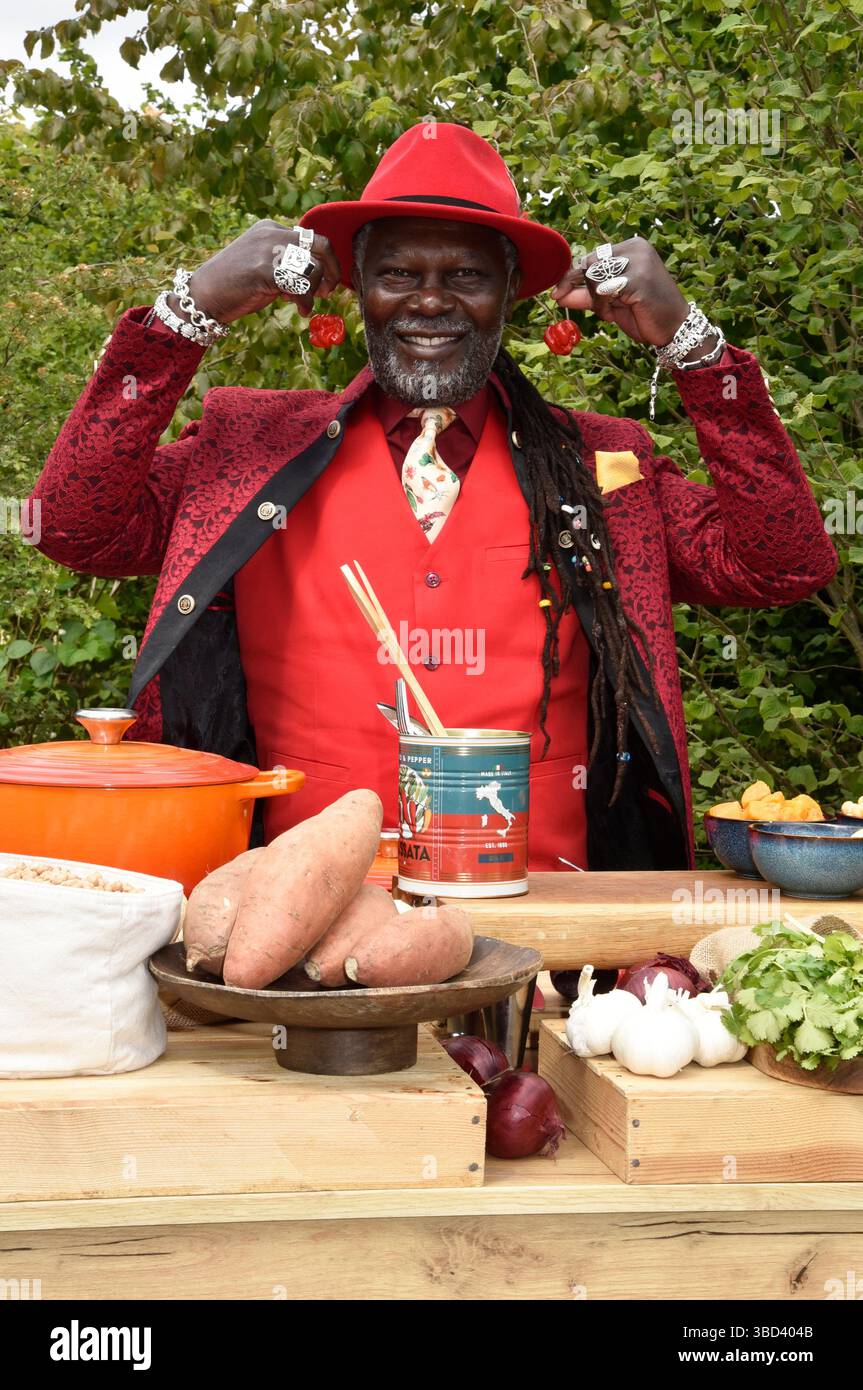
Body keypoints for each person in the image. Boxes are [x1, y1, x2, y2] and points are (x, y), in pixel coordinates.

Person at [30, 123, 836, 871]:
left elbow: (779, 565)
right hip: (289, 916)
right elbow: (76, 527)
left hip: (553, 927)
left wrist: (693, 348)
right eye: (397, 273)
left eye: (465, 276)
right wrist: (189, 310)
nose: (428, 300)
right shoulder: (249, 447)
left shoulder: (601, 467)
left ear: (510, 295)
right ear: (356, 292)